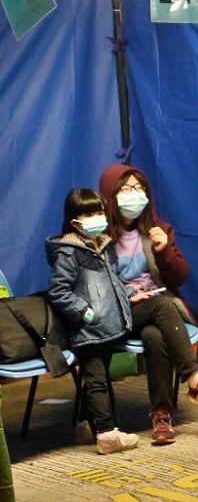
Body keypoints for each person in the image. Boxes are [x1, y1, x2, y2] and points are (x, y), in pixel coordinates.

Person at [99, 165, 198, 445]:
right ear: (111, 195)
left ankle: (161, 415)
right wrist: (127, 295)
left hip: (158, 316)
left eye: (139, 189)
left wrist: (164, 252)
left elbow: (180, 277)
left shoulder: (158, 230)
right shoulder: (100, 237)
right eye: (125, 189)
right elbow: (96, 285)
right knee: (162, 306)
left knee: (155, 336)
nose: (133, 194)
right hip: (121, 313)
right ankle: (196, 379)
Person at [46, 189, 141, 454]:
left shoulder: (104, 245)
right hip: (88, 329)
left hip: (111, 325)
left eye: (99, 212)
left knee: (98, 379)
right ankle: (107, 434)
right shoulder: (68, 252)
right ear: (74, 220)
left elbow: (115, 280)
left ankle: (87, 425)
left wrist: (130, 293)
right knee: (96, 379)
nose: (97, 218)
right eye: (88, 214)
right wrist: (83, 310)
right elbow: (58, 291)